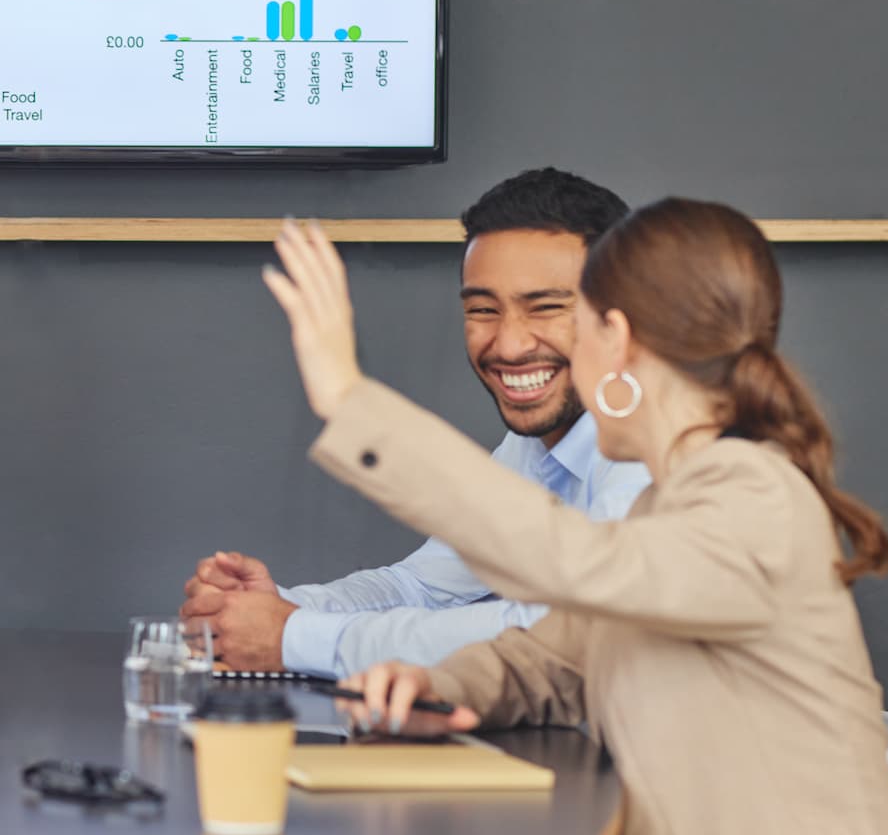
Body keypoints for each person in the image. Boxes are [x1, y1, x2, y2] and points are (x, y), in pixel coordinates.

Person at [265, 203, 888, 835]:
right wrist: (435, 688)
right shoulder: (669, 503)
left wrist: (349, 399)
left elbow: (575, 562)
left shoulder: (757, 497)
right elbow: (555, 656)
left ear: (616, 339)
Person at [181, 169, 651, 674]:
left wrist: (292, 635)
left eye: (547, 308)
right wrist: (276, 609)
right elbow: (425, 585)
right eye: (483, 309)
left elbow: (555, 631)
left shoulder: (662, 453)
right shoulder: (537, 441)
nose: (510, 344)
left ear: (619, 317)